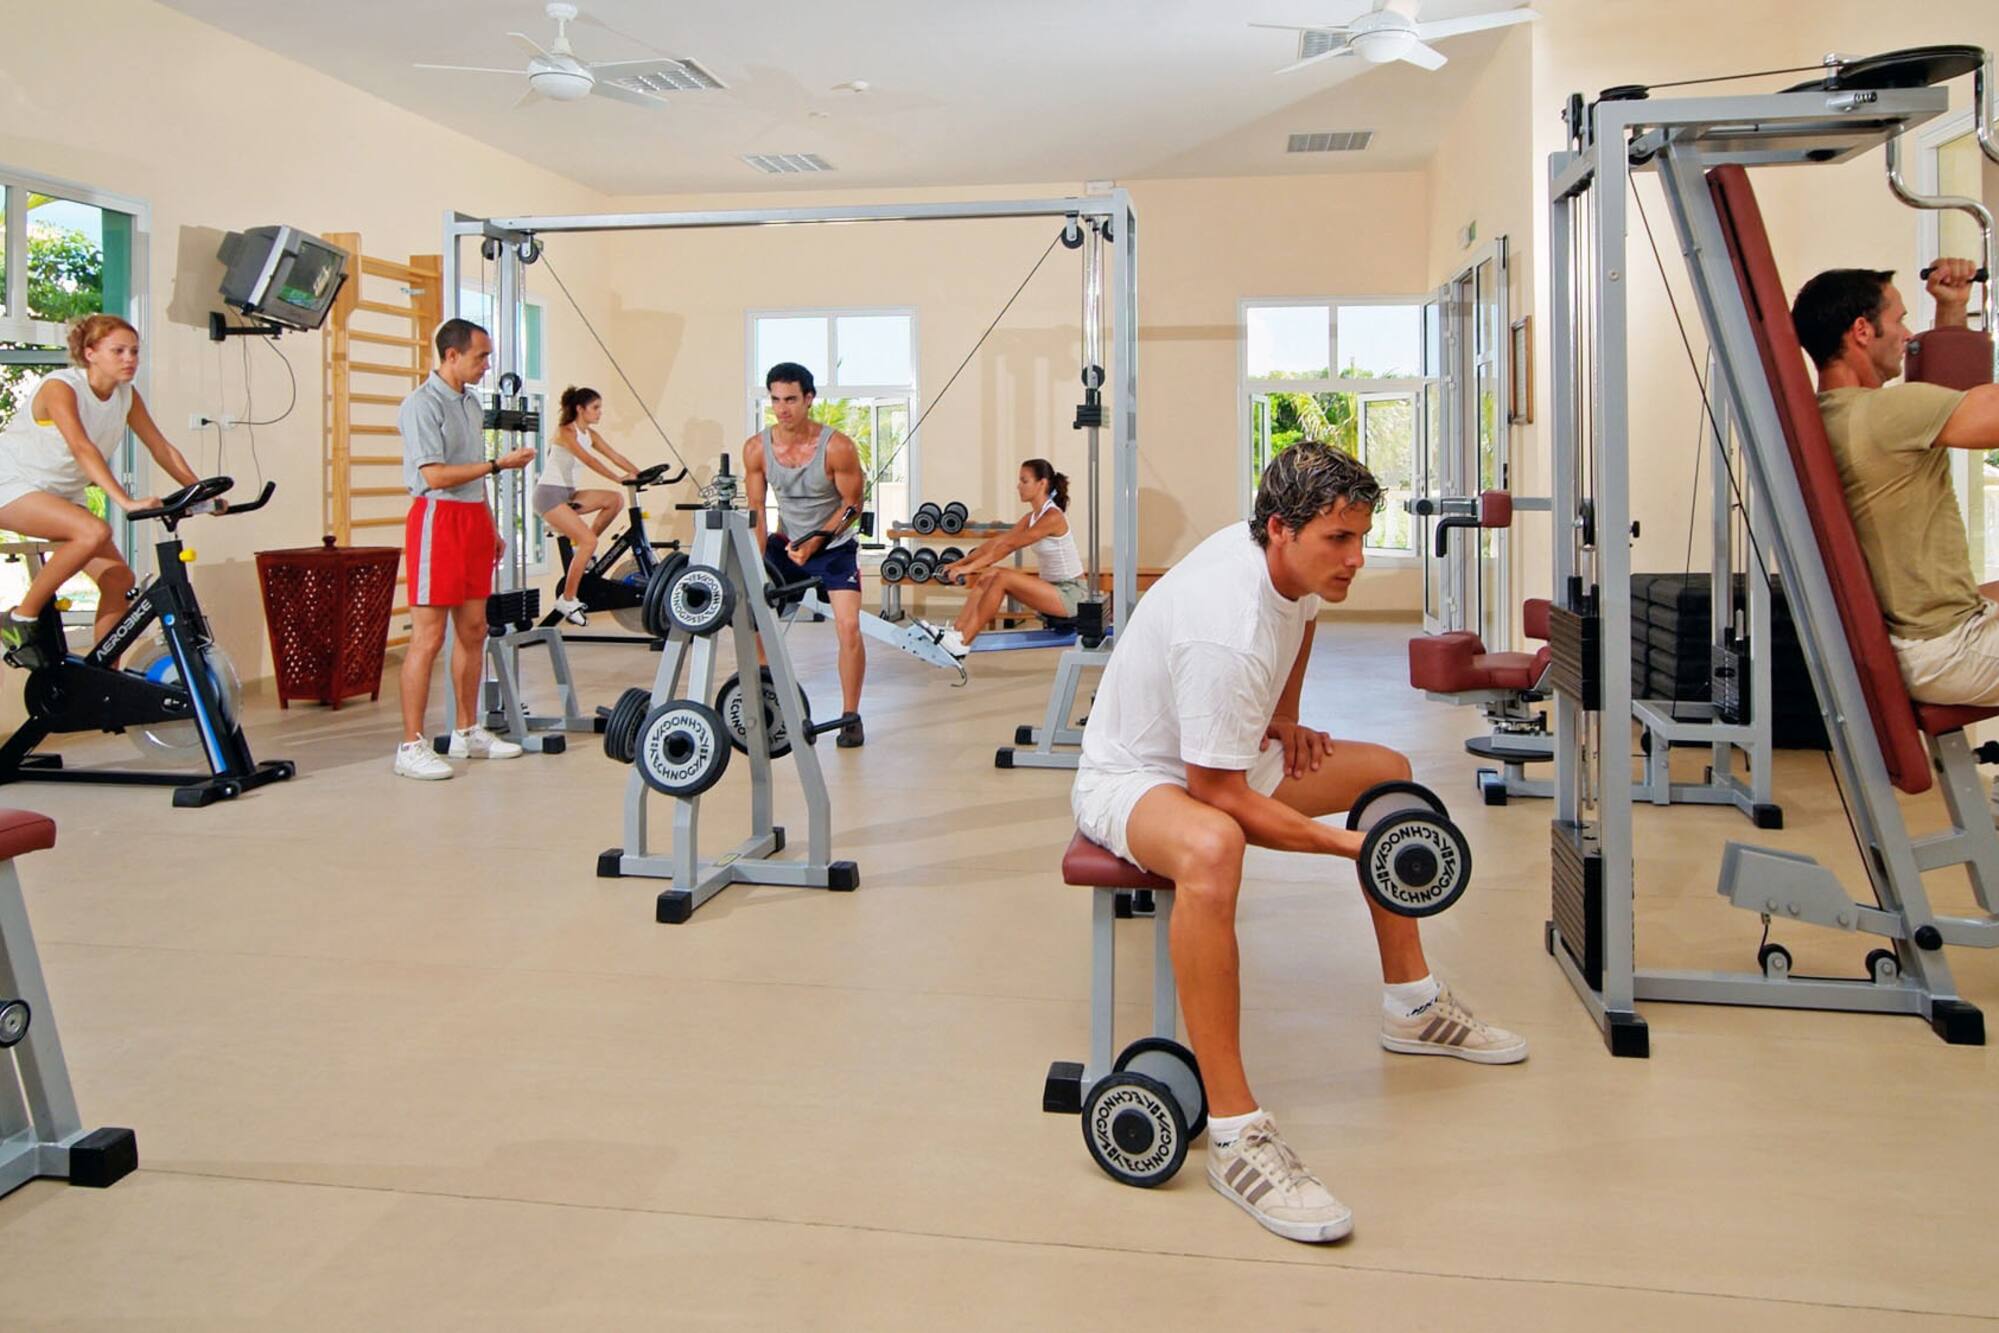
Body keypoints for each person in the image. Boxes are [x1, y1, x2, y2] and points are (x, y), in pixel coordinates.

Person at [1071, 442, 1526, 1245]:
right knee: (1213, 845)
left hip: (1221, 749)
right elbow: (1218, 797)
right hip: (1136, 774)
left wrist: (1283, 714)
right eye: (1338, 541)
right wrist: (1359, 852)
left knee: (1386, 771)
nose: (1354, 558)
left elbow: (1303, 627)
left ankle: (1411, 1004)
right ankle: (1236, 1130)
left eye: (1360, 536)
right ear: (1280, 529)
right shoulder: (1227, 625)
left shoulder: (1294, 572)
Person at [1791, 260, 1999, 706]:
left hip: (1920, 637)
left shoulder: (1836, 415)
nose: (1907, 335)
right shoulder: (1884, 414)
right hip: (1949, 648)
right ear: (1863, 331)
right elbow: (1977, 412)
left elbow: (1943, 407)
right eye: (1900, 320)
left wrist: (1952, 311)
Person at [0, 315, 210, 668]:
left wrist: (199, 489)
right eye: (119, 351)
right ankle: (20, 619)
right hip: (12, 483)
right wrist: (124, 500)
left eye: (134, 352)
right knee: (93, 530)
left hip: (59, 494)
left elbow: (160, 447)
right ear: (90, 352)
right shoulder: (60, 387)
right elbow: (82, 448)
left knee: (118, 579)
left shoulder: (126, 396)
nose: (129, 359)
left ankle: (104, 678)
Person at [392, 318, 537, 780]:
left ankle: (466, 730)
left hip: (473, 518)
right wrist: (499, 463)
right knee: (429, 638)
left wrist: (491, 524)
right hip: (437, 520)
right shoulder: (420, 405)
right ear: (451, 355)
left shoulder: (471, 404)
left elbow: (472, 475)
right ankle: (410, 745)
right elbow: (434, 476)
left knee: (474, 630)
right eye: (480, 357)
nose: (487, 365)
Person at [743, 362, 867, 747]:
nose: (783, 408)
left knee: (848, 627)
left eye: (791, 399)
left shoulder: (837, 446)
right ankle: (768, 697)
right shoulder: (756, 448)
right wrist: (756, 565)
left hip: (833, 548)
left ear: (809, 399)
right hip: (786, 545)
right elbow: (757, 512)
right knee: (755, 617)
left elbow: (853, 505)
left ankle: (850, 717)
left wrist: (816, 540)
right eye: (776, 399)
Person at [928, 459, 1088, 661]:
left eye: (1024, 481)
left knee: (1001, 577)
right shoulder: (1032, 517)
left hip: (1071, 594)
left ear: (1042, 484)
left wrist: (968, 570)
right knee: (990, 574)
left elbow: (1009, 547)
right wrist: (958, 564)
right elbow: (997, 542)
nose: (1018, 486)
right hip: (1052, 589)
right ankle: (955, 634)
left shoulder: (1052, 517)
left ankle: (962, 643)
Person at [534, 386, 639, 626]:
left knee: (615, 500)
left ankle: (586, 554)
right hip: (549, 496)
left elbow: (614, 455)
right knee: (588, 542)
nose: (600, 412)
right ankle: (567, 598)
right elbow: (589, 459)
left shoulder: (590, 434)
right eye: (595, 408)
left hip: (569, 495)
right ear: (580, 409)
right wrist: (618, 478)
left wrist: (638, 473)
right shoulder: (565, 432)